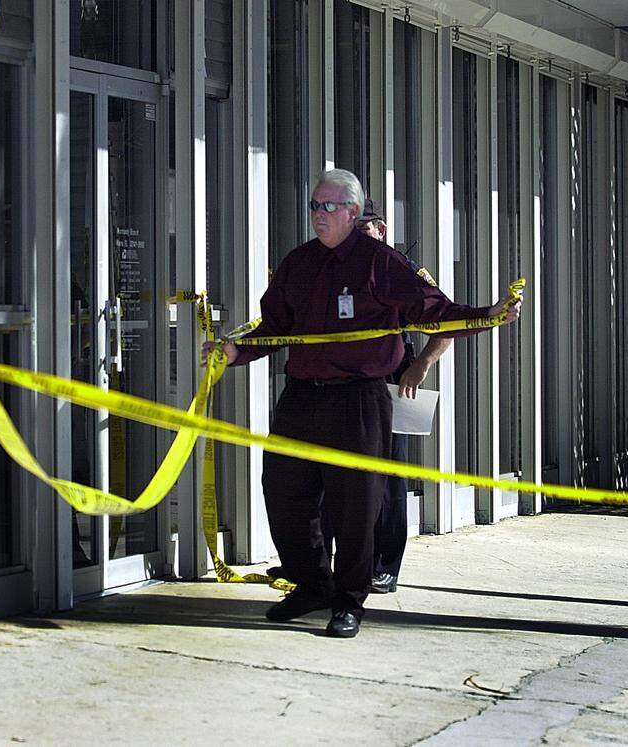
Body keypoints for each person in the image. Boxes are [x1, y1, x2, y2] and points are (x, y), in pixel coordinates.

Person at [202, 169, 520, 638]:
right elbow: (273, 327)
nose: (318, 215)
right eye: (314, 206)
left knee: (355, 505)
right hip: (302, 395)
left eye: (328, 207)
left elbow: (432, 311)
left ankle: (349, 600)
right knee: (284, 491)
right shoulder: (298, 263)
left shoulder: (380, 262)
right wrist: (235, 351)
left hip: (360, 398)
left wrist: (486, 315)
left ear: (353, 212)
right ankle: (311, 584)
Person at [348, 199, 451, 595]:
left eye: (365, 230)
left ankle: (384, 565)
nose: (359, 239)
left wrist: (421, 365)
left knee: (388, 477)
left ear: (382, 230)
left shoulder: (401, 270)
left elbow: (446, 321)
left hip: (392, 379)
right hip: (347, 382)